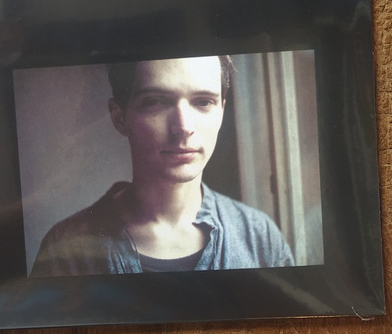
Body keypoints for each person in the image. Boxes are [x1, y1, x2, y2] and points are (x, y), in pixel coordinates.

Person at [31, 55, 294, 275]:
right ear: (120, 117)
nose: (183, 127)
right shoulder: (64, 249)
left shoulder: (260, 236)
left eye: (203, 102)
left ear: (221, 111)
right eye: (154, 102)